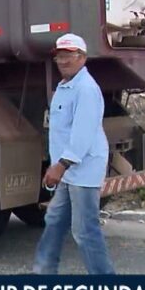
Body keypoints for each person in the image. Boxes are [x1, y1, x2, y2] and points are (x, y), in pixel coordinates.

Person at [32, 33, 115, 275]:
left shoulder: (86, 89)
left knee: (85, 231)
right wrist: (58, 166)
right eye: (60, 56)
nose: (63, 61)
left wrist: (60, 166)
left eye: (70, 55)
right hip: (68, 172)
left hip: (82, 171)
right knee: (55, 220)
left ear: (83, 58)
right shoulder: (66, 85)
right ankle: (43, 272)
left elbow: (83, 134)